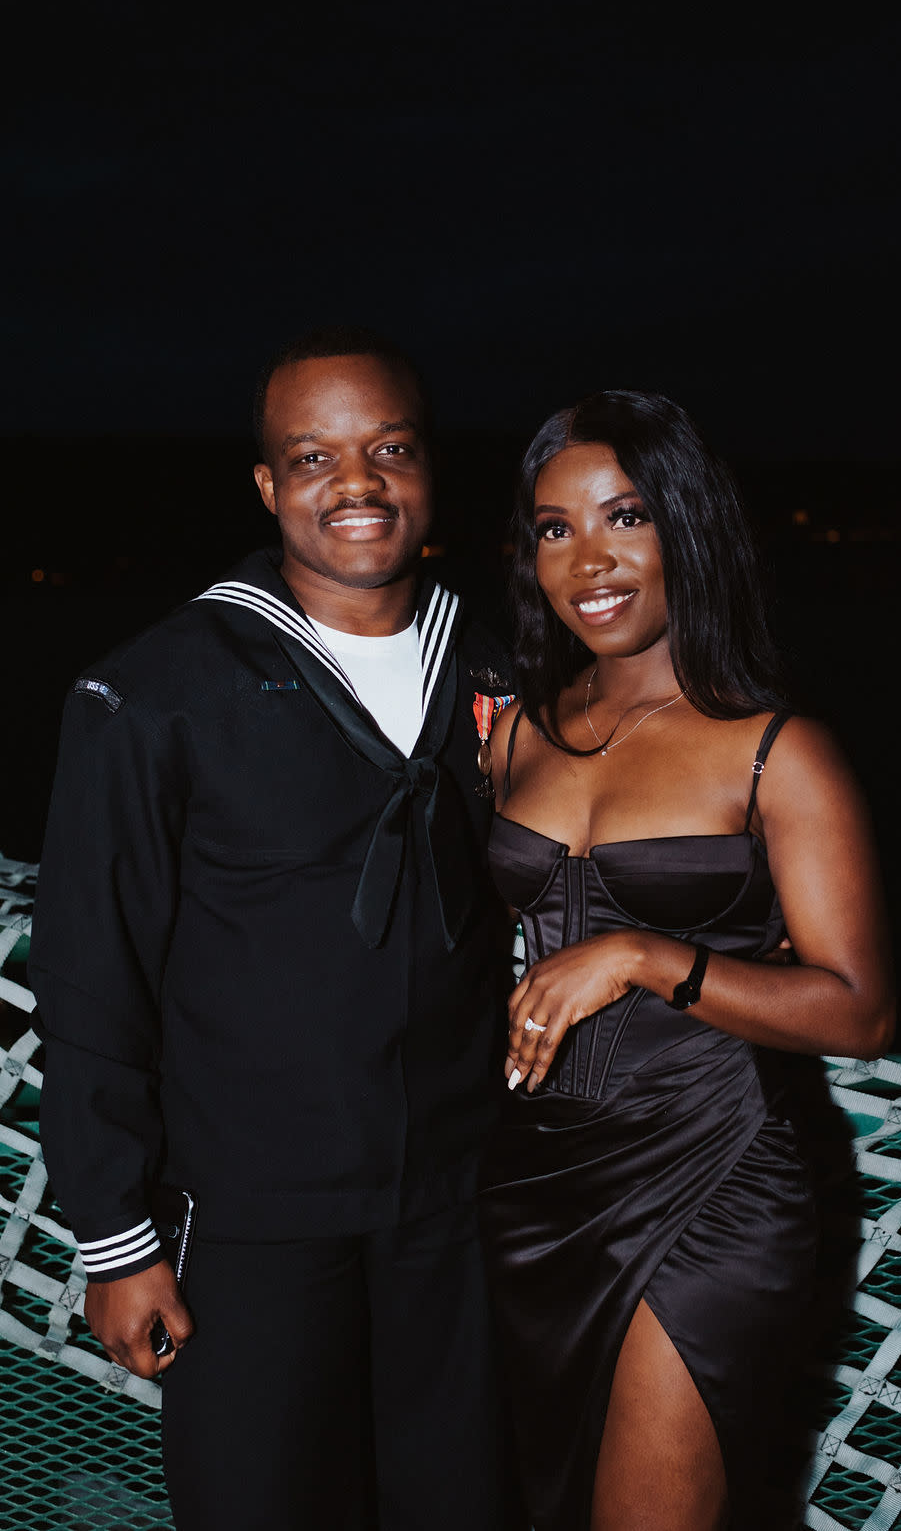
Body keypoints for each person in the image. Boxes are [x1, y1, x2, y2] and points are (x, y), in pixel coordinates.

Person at [29, 327, 521, 1530]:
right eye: (313, 457)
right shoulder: (153, 691)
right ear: (268, 486)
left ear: (429, 469)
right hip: (251, 1219)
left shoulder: (506, 668)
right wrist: (113, 1238)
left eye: (388, 449)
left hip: (459, 1212)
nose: (355, 484)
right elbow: (93, 971)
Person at [478, 390, 896, 1531]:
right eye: (554, 528)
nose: (590, 560)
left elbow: (858, 1011)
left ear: (686, 528)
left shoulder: (775, 750)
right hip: (523, 1183)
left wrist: (643, 955)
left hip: (709, 1178)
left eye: (626, 517)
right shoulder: (509, 728)